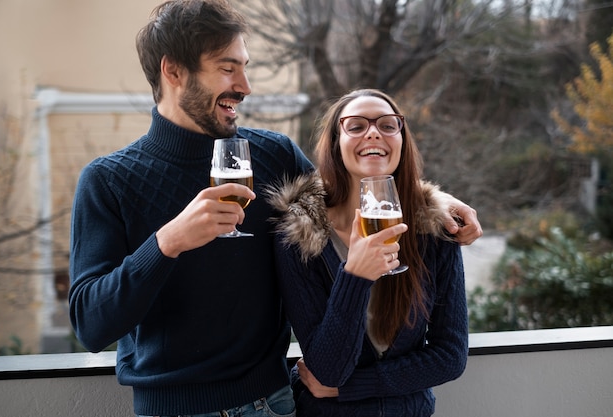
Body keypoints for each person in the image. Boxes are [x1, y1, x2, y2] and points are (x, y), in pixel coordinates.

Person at [68, 1, 480, 416]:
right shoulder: (108, 180)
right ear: (173, 71)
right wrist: (168, 241)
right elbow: (91, 325)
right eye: (228, 68)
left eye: (244, 67)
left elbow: (344, 192)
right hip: (173, 408)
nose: (244, 85)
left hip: (273, 404)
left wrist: (432, 200)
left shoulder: (272, 155)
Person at [266, 88, 469, 417]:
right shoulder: (298, 236)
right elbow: (328, 370)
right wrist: (355, 276)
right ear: (336, 144)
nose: (374, 131)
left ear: (401, 142)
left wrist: (356, 387)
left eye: (388, 125)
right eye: (356, 126)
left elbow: (450, 356)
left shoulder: (435, 231)